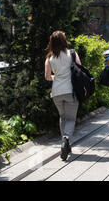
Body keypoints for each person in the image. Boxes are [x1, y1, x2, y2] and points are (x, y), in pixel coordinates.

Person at [45, 31, 81, 161]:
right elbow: (79, 69)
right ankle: (66, 139)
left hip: (56, 92)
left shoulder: (49, 57)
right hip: (70, 90)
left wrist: (57, 77)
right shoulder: (71, 53)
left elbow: (48, 76)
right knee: (71, 119)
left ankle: (65, 143)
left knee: (63, 117)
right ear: (64, 40)